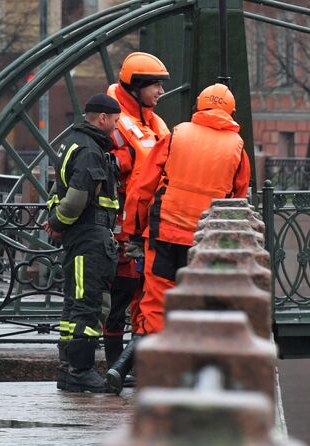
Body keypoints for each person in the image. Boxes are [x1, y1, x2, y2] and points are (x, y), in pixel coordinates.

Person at [120, 83, 250, 366]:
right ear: (231, 112)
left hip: (164, 231)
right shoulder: (237, 148)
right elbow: (238, 202)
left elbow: (142, 189)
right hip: (205, 240)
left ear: (198, 107)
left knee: (155, 302)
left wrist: (132, 232)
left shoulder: (176, 135)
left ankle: (149, 369)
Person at [44, 93, 123, 393]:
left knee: (73, 302)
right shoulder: (91, 150)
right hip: (90, 236)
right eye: (114, 122)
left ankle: (68, 369)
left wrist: (55, 220)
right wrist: (58, 223)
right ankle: (81, 370)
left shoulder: (71, 142)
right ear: (102, 118)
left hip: (78, 236)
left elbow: (57, 190)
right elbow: (77, 198)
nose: (115, 128)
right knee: (89, 304)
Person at [104, 52, 171, 375]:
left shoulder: (151, 121)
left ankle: (127, 367)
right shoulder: (113, 122)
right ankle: (116, 365)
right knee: (121, 294)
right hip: (119, 228)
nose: (160, 91)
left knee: (141, 296)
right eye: (155, 85)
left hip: (145, 226)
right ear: (136, 86)